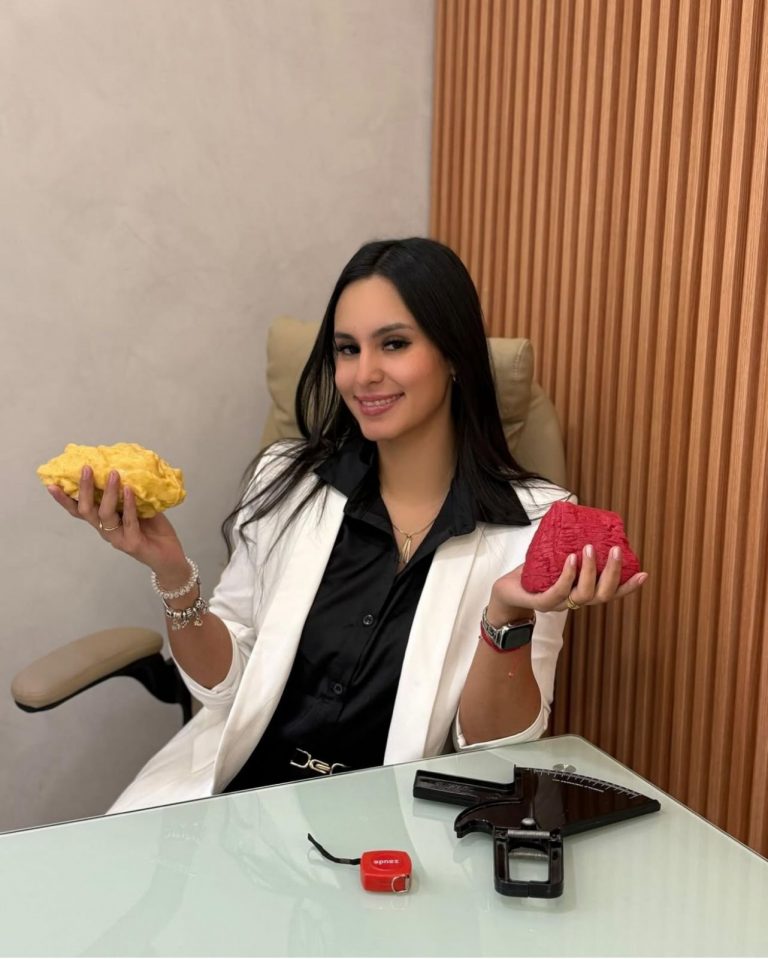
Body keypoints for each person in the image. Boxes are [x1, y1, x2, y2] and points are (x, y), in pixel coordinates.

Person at [46, 237, 647, 813]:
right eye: (347, 349)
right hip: (244, 803)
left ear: (454, 355)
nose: (363, 375)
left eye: (394, 344)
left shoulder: (533, 523)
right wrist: (173, 573)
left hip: (388, 834)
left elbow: (496, 750)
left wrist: (506, 614)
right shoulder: (285, 481)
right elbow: (224, 688)